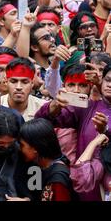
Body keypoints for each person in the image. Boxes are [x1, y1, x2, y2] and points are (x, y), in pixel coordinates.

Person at [35, 63, 111, 200]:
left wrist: (105, 132)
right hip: (85, 188)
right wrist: (55, 104)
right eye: (108, 80)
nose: (110, 85)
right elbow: (43, 120)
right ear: (101, 81)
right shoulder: (88, 107)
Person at [19, 118, 75, 201]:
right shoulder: (42, 167)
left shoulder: (57, 180)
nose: (20, 149)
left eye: (22, 145)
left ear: (35, 148)